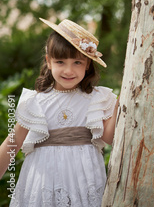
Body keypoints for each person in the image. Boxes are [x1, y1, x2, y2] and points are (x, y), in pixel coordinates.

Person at [0, 18, 119, 206]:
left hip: (84, 182)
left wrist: (121, 103)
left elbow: (110, 137)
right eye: (60, 62)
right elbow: (12, 144)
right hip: (43, 184)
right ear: (49, 62)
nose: (68, 70)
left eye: (77, 62)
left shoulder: (97, 99)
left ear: (88, 63)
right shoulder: (35, 102)